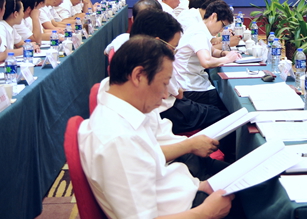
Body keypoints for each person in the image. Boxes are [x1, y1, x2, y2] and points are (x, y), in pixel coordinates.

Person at [78, 37, 234, 219]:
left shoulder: (125, 108)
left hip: (185, 191)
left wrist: (199, 185)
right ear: (138, 76)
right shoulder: (118, 140)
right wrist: (206, 213)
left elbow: (153, 167)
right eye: (164, 83)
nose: (166, 94)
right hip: (188, 210)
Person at [172, 0, 240, 112]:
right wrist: (227, 59)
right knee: (230, 107)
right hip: (191, 88)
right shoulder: (198, 33)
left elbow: (211, 50)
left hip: (191, 83)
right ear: (213, 16)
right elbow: (206, 62)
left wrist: (223, 53)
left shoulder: (200, 28)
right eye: (222, 25)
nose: (221, 30)